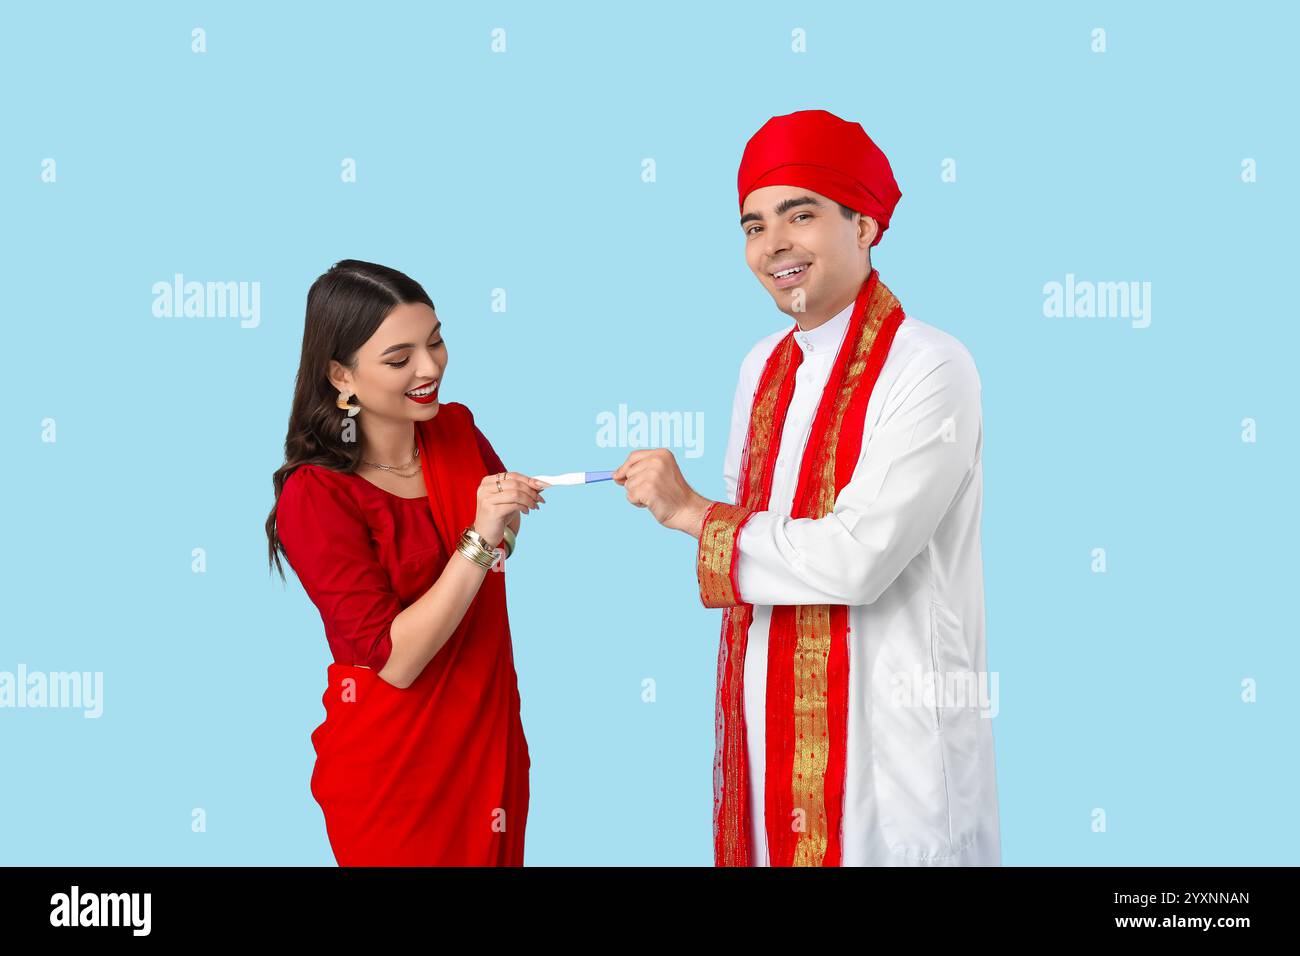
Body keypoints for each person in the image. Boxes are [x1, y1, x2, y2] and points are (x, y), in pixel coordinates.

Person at [612, 109, 1000, 866]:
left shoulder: (930, 365)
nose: (773, 245)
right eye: (753, 226)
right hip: (768, 719)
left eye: (801, 214)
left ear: (865, 225)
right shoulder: (762, 366)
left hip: (892, 747)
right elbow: (762, 547)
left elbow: (859, 559)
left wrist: (694, 513)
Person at [265, 259, 549, 865]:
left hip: (487, 738)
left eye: (436, 340)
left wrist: (500, 523)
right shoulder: (315, 497)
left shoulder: (455, 430)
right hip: (396, 773)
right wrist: (479, 535)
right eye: (399, 359)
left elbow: (503, 535)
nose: (430, 368)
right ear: (341, 374)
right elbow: (396, 661)